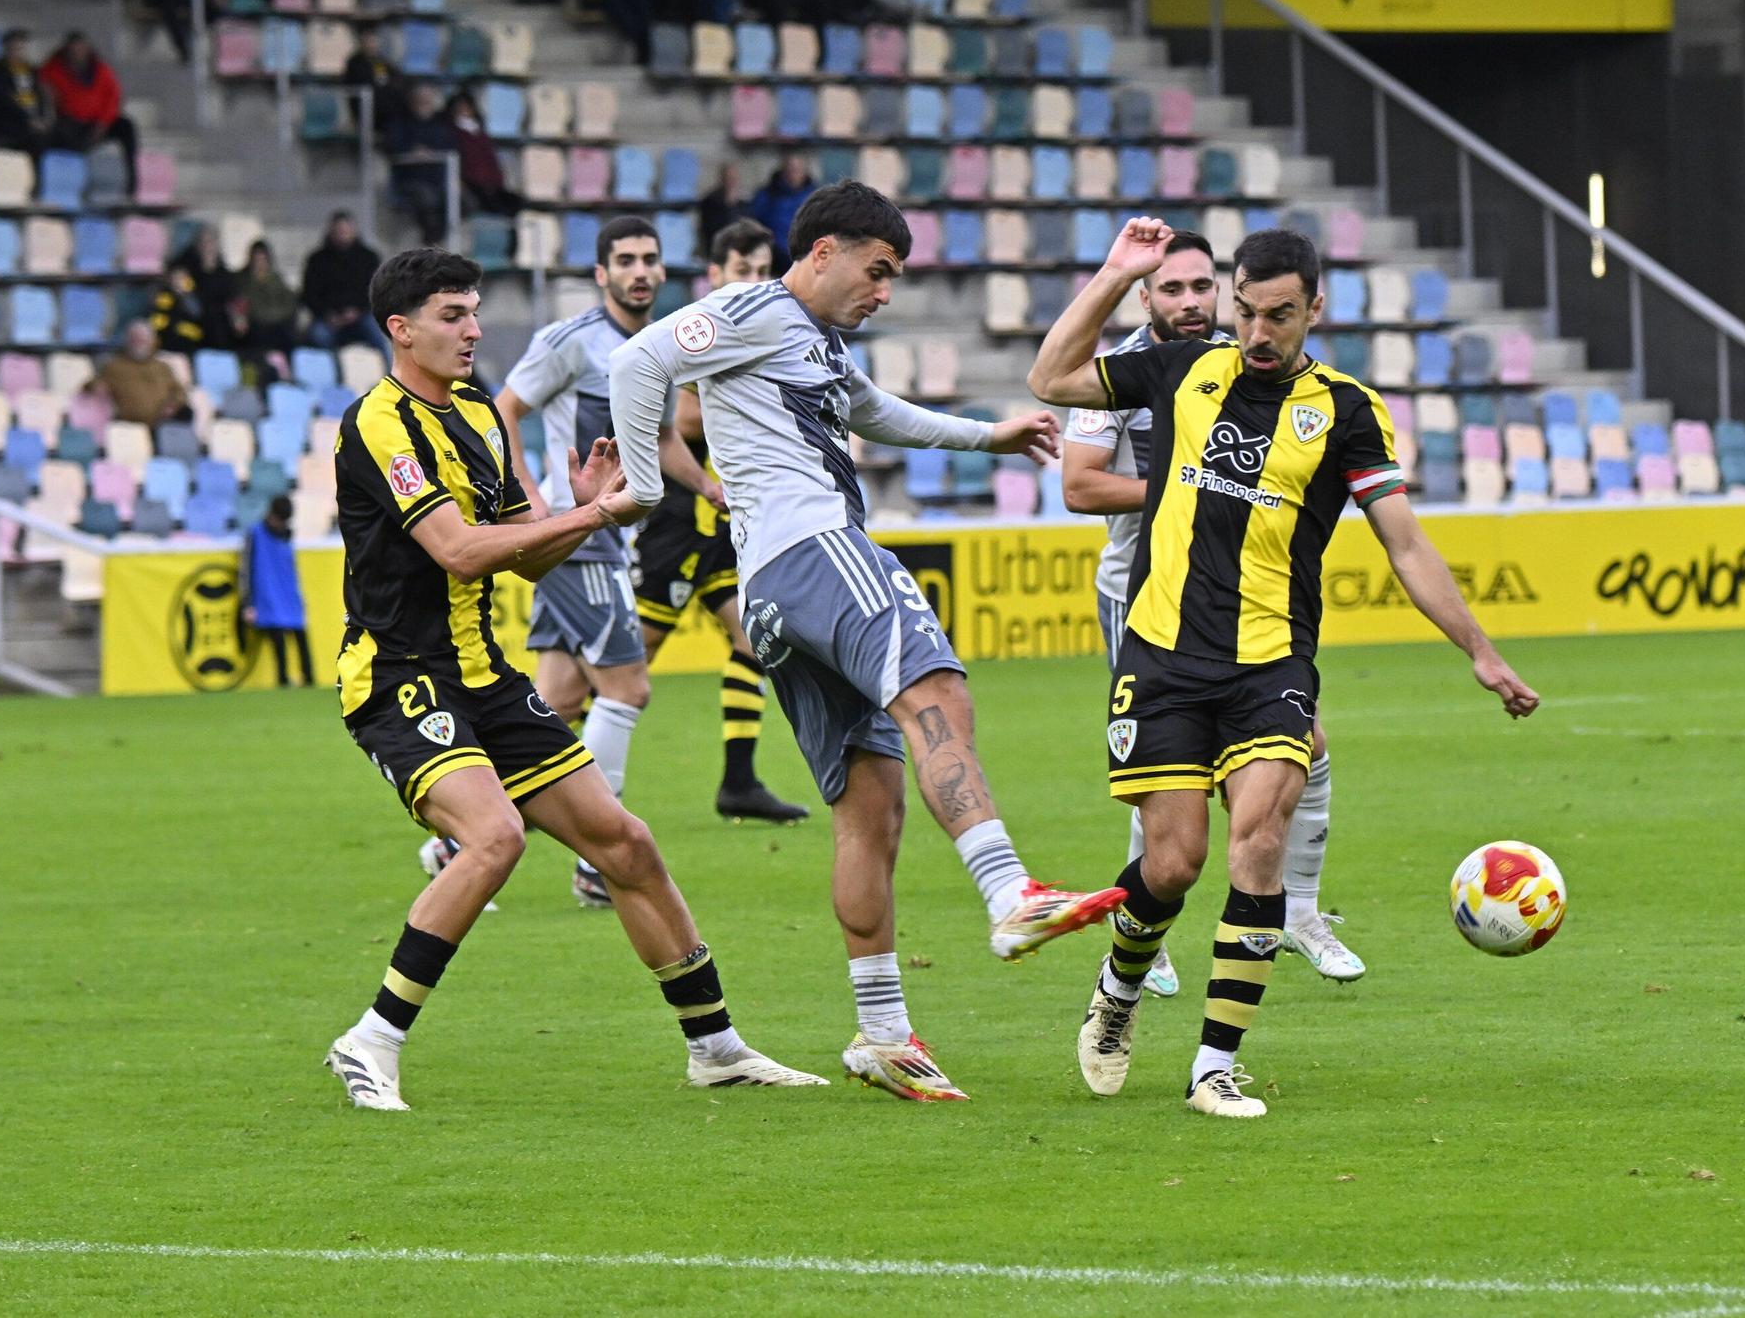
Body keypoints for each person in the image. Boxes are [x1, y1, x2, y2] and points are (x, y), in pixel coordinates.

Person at [607, 181, 1128, 1101]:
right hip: (814, 549)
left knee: (869, 803)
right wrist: (647, 489)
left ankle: (883, 1030)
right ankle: (1009, 892)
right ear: (821, 251)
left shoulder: (814, 341)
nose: (883, 292)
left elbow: (873, 411)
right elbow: (636, 366)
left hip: (773, 593)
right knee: (937, 690)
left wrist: (989, 436)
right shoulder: (756, 307)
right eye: (876, 271)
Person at [1028, 222, 1541, 1119]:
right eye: (1245, 312)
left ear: (1315, 308)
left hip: (1272, 662)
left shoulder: (1347, 410)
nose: (1257, 334)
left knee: (1258, 838)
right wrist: (1117, 275)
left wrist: (1480, 649)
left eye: (1278, 315)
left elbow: (1406, 544)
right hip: (1162, 653)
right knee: (1174, 862)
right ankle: (1117, 989)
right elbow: (1049, 377)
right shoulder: (1184, 370)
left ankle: (1212, 1067)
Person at [322, 245, 821, 1110]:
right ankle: (371, 1039)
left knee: (626, 843)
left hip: (483, 673)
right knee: (496, 838)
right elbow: (458, 551)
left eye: (475, 310)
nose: (474, 329)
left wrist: (579, 512)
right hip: (399, 677)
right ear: (400, 331)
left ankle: (718, 1047)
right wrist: (593, 513)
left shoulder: (480, 413)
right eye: (452, 315)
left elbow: (523, 557)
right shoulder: (379, 422)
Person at [1059, 230, 1235, 1005]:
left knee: (1297, 743)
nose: (1191, 302)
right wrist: (1186, 487)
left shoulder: (1243, 361)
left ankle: (1294, 905)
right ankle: (1145, 925)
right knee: (1167, 764)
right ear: (1147, 297)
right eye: (1173, 289)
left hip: (1230, 589)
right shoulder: (1123, 371)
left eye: (1202, 286)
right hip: (1138, 587)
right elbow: (1080, 486)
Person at [486, 217, 674, 908]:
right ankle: (600, 860)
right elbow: (503, 409)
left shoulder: (657, 344)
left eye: (649, 259)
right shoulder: (569, 341)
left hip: (605, 533)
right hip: (578, 534)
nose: (639, 271)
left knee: (559, 704)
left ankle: (460, 837)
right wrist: (532, 500)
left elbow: (657, 438)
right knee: (626, 689)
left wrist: (714, 488)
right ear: (601, 274)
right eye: (624, 260)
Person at [632, 218, 807, 823]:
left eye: (763, 272)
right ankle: (536, 766)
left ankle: (739, 781)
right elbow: (678, 427)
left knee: (750, 639)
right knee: (625, 670)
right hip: (681, 520)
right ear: (714, 275)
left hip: (721, 522)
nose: (754, 282)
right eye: (741, 272)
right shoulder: (701, 333)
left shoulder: (755, 328)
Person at [38, 33, 139, 197]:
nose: (77, 52)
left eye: (80, 48)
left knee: (126, 127)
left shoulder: (101, 69)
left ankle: (132, 181)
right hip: (70, 121)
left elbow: (113, 97)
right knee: (64, 136)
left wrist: (102, 123)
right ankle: (72, 185)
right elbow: (42, 85)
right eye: (73, 48)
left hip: (99, 122)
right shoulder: (54, 69)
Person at [241, 495, 312, 686]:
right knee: (279, 641)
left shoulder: (287, 536)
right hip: (267, 597)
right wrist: (247, 603)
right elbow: (245, 569)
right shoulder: (255, 534)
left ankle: (309, 678)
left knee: (302, 638)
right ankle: (283, 679)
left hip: (289, 594)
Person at [384, 83, 458, 246]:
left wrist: (431, 151)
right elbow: (392, 146)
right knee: (428, 198)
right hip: (410, 179)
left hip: (437, 179)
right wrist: (412, 150)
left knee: (460, 199)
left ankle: (438, 239)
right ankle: (433, 242)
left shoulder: (440, 125)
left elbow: (451, 147)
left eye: (428, 101)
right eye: (420, 100)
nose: (424, 104)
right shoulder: (400, 123)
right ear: (412, 102)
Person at [301, 212, 386, 350]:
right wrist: (328, 314)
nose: (343, 235)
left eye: (346, 231)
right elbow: (309, 294)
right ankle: (334, 371)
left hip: (361, 315)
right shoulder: (317, 260)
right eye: (339, 231)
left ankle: (392, 371)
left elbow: (377, 290)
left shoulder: (369, 258)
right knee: (318, 336)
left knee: (379, 336)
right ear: (331, 232)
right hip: (328, 318)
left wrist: (356, 311)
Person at [92, 320, 188, 426]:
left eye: (142, 339)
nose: (138, 342)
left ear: (151, 341)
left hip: (163, 424)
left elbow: (179, 391)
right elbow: (96, 387)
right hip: (127, 425)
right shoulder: (113, 367)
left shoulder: (162, 367)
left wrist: (173, 405)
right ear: (127, 340)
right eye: (134, 338)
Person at [444, 90, 521, 218]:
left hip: (491, 184)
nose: (464, 111)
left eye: (466, 107)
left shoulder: (481, 133)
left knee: (515, 202)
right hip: (472, 184)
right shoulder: (452, 133)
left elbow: (491, 160)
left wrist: (496, 181)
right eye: (459, 108)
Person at [0, 29, 51, 154]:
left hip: (31, 121)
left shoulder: (30, 69)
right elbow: (3, 100)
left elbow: (39, 95)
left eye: (20, 48)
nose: (17, 52)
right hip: (7, 123)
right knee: (34, 141)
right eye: (13, 48)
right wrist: (28, 120)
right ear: (6, 48)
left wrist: (42, 118)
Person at [233, 239, 302, 353]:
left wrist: (277, 315)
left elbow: (289, 302)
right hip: (258, 326)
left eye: (263, 259)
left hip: (278, 325)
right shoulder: (243, 280)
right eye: (257, 259)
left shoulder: (276, 279)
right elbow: (251, 307)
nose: (260, 262)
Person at [747, 153, 815, 269]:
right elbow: (753, 224)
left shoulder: (814, 195)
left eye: (797, 169)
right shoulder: (768, 194)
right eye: (790, 169)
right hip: (774, 258)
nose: (793, 174)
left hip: (806, 257)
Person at [176, 225, 236, 349]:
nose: (206, 246)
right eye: (202, 242)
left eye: (209, 242)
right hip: (196, 314)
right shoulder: (189, 267)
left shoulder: (223, 272)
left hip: (220, 317)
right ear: (197, 246)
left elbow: (231, 297)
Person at [344, 25, 406, 134]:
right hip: (364, 106)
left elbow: (382, 81)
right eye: (367, 42)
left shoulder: (378, 62)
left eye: (373, 41)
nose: (371, 45)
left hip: (382, 105)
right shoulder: (354, 63)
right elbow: (362, 83)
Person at [150, 262, 206, 353]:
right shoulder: (165, 295)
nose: (178, 281)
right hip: (168, 341)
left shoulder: (193, 295)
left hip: (190, 342)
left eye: (182, 277)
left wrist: (184, 295)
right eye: (175, 277)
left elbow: (197, 313)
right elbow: (158, 320)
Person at [696, 162, 745, 246]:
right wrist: (729, 206)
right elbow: (712, 230)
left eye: (735, 178)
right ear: (722, 179)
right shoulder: (710, 202)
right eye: (729, 178)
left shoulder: (742, 204)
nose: (733, 182)